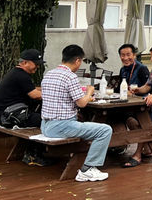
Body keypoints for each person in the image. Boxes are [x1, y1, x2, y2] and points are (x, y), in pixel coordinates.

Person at [41, 44, 113, 182]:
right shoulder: (70, 76)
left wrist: (84, 93)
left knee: (86, 126)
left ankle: (88, 165)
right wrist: (89, 92)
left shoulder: (49, 74)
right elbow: (82, 104)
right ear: (78, 61)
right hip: (61, 126)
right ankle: (88, 169)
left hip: (45, 125)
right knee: (105, 130)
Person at [0, 49, 47, 166]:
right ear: (25, 63)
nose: (37, 66)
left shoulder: (16, 73)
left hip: (6, 115)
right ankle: (34, 155)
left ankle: (34, 153)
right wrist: (57, 94)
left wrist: (47, 89)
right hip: (10, 117)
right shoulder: (22, 76)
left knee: (40, 117)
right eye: (36, 63)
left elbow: (33, 89)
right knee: (46, 121)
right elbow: (35, 95)